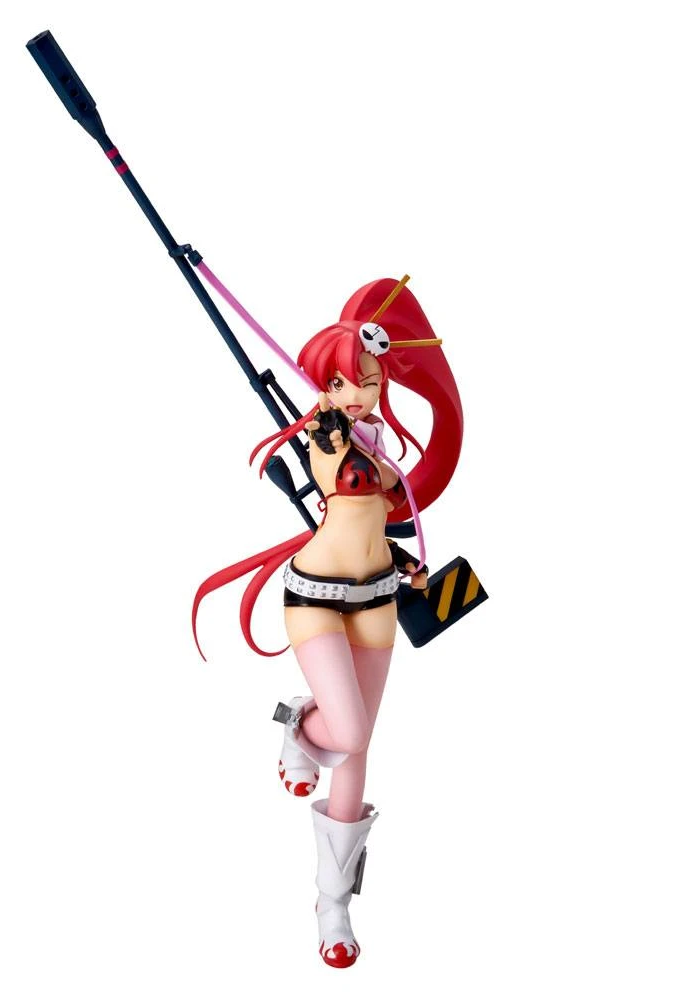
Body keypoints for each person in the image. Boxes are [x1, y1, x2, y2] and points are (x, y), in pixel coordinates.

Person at [193, 277, 463, 968]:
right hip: (316, 593)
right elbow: (345, 476)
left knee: (358, 746)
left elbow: (375, 515)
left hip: (377, 593)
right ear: (325, 384)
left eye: (370, 380)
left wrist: (406, 564)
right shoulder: (326, 434)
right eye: (346, 381)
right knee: (349, 731)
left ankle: (332, 902)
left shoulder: (374, 437)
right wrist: (327, 412)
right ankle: (299, 725)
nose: (362, 392)